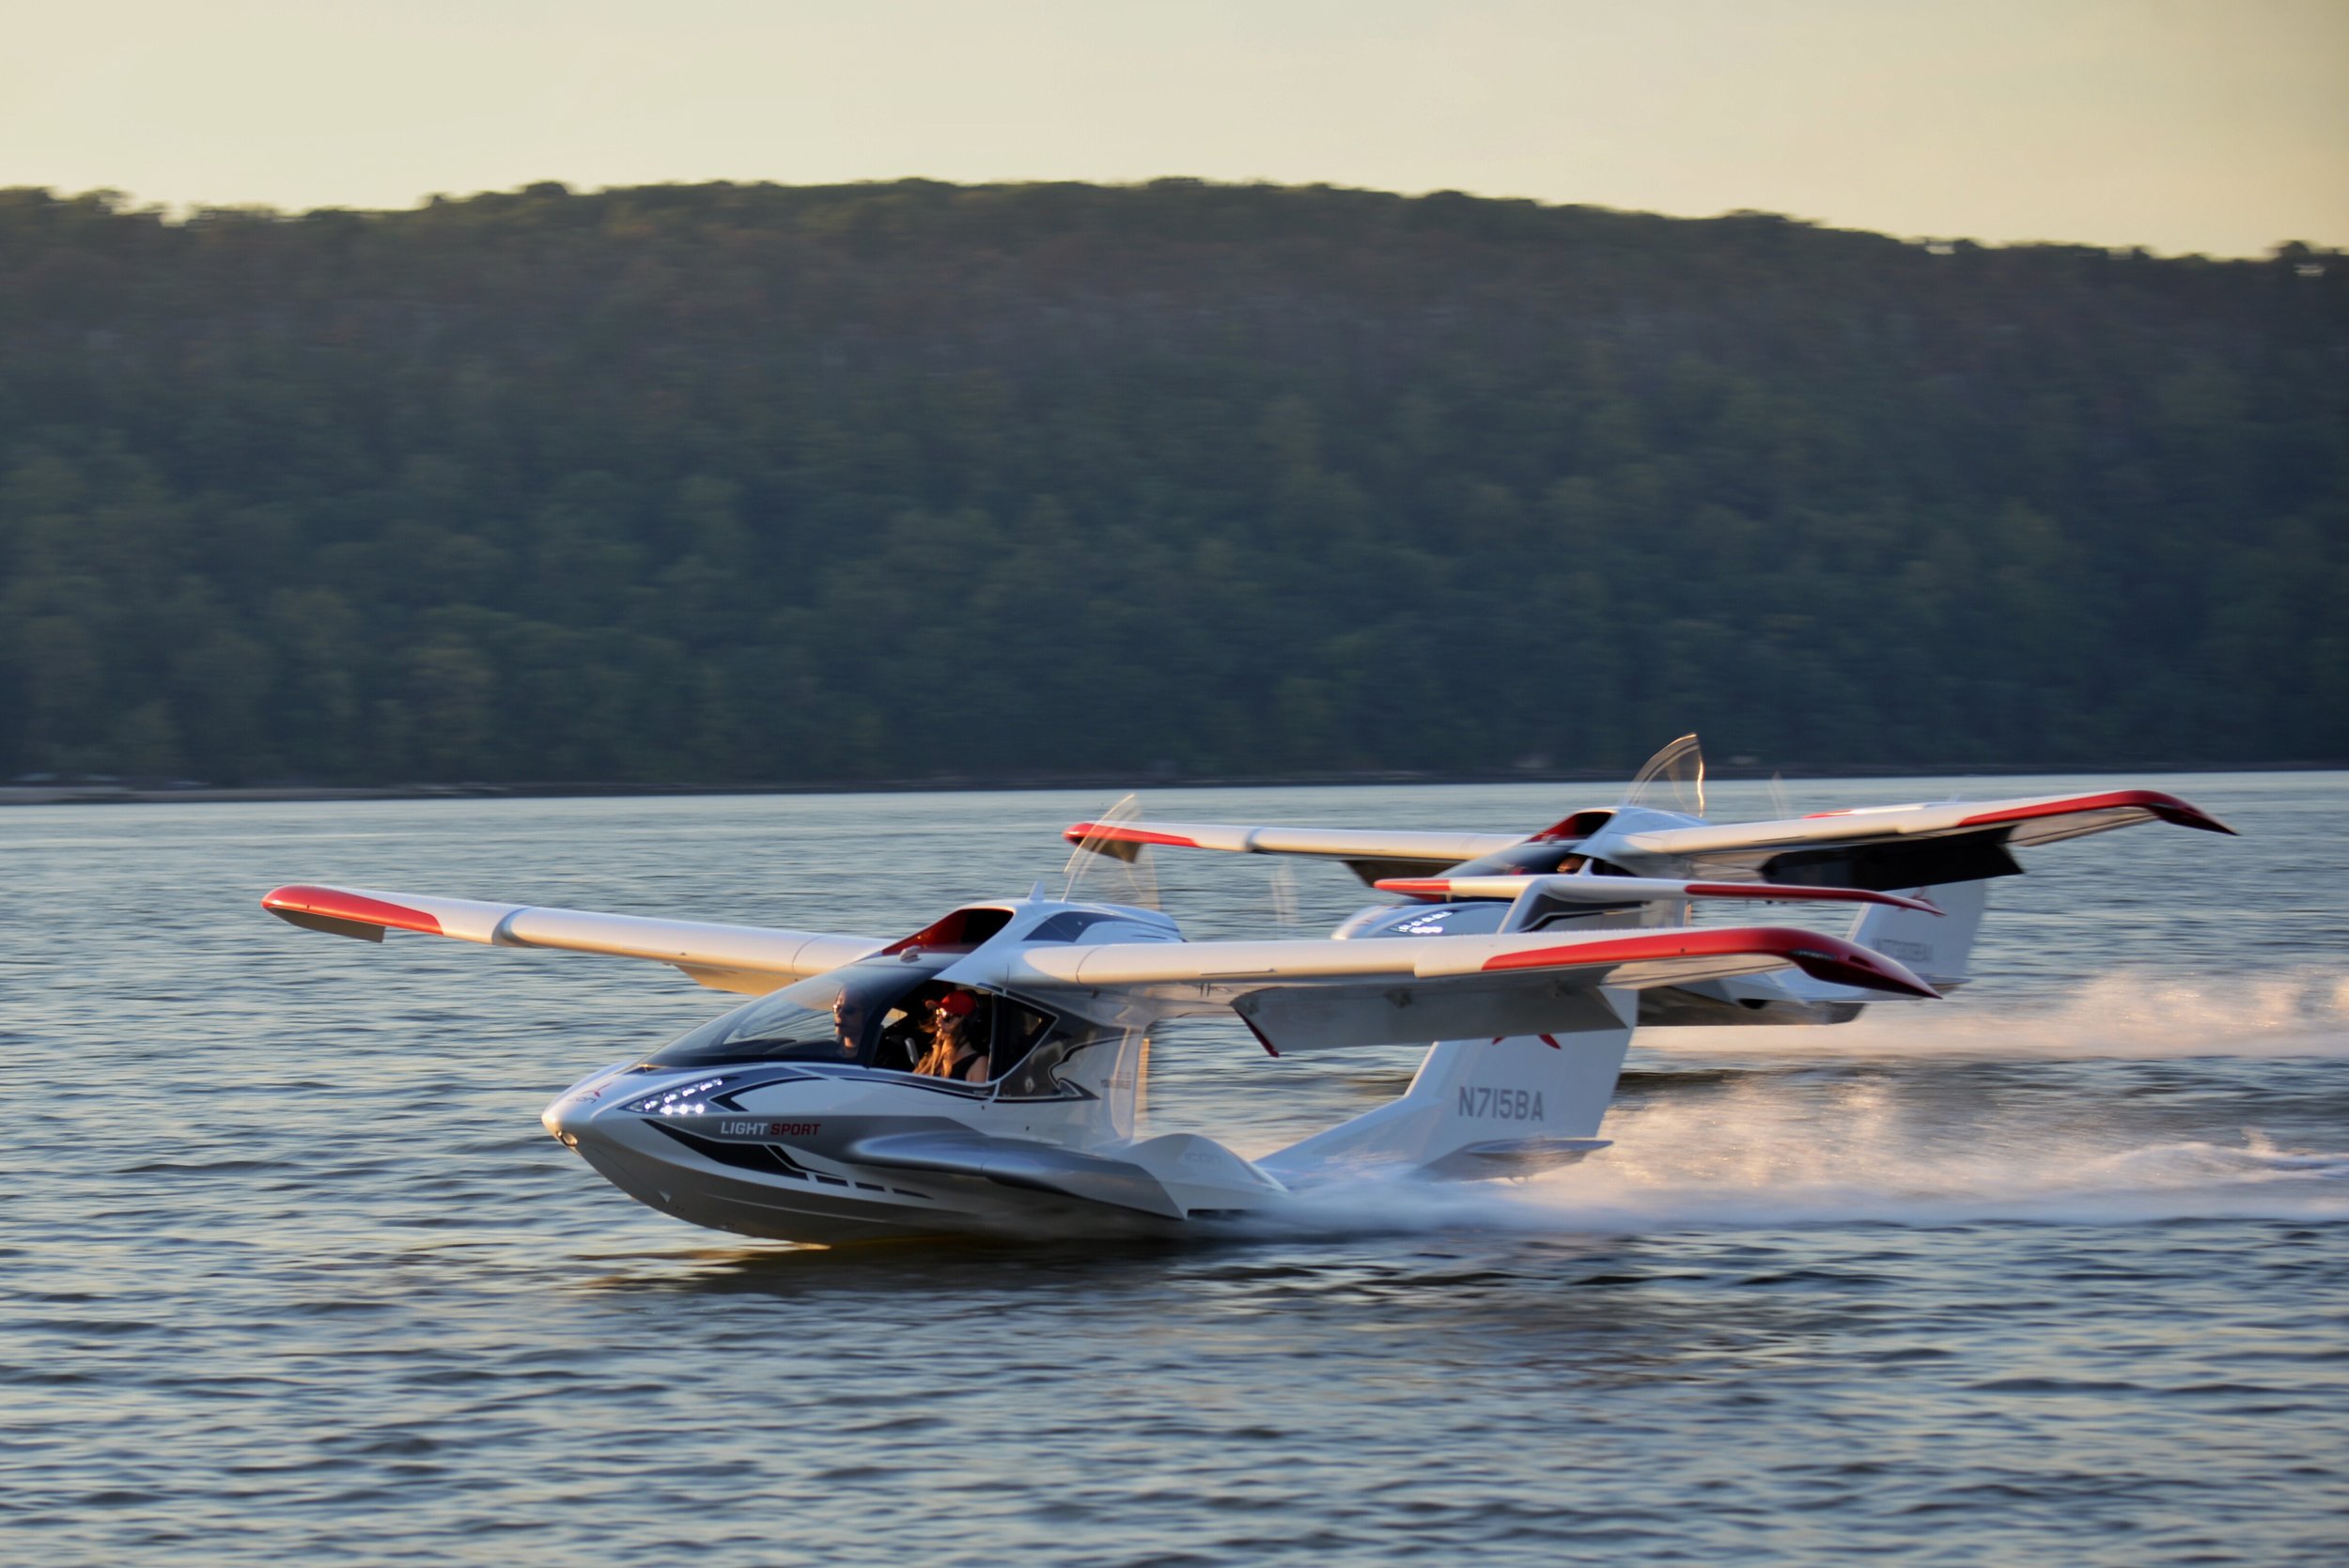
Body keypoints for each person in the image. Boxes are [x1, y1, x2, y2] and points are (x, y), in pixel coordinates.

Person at [912, 990, 988, 1082]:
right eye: (939, 1014)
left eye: (947, 1017)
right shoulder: (931, 1057)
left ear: (968, 1023)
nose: (938, 1021)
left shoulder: (979, 1063)